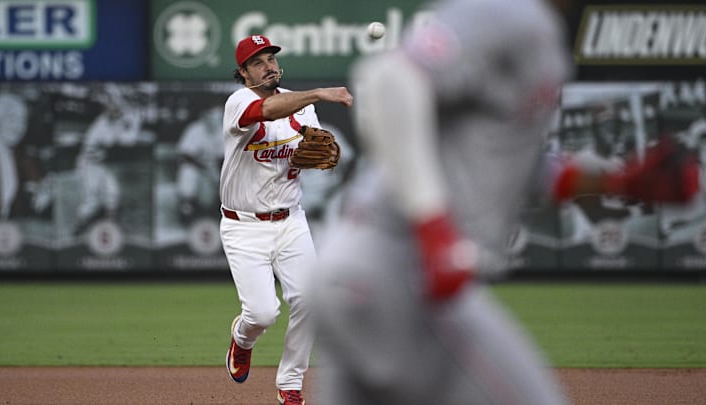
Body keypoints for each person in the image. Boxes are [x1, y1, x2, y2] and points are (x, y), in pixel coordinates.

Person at [307, 0, 700, 404]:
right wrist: (434, 228)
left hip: (351, 267)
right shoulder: (512, 13)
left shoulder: (539, 35)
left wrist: (616, 182)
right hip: (398, 268)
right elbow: (390, 79)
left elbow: (519, 169)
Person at [219, 34, 352, 405]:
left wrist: (311, 154)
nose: (269, 66)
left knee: (311, 299)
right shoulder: (238, 101)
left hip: (291, 220)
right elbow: (264, 113)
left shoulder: (301, 108)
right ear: (244, 72)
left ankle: (290, 382)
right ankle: (243, 339)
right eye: (258, 62)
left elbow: (303, 151)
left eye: (272, 59)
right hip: (244, 226)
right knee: (262, 313)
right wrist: (319, 93)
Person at [73, 84, 144, 235]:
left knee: (112, 193)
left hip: (105, 161)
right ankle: (80, 224)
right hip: (90, 162)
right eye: (108, 103)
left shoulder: (125, 117)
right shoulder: (100, 125)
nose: (112, 105)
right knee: (91, 199)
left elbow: (128, 141)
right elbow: (97, 150)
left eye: (114, 102)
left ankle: (110, 224)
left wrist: (129, 121)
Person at [0, 92, 49, 225]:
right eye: (12, 119)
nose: (19, 127)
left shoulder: (13, 151)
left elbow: (35, 175)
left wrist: (42, 188)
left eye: (23, 121)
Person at [175, 105, 223, 223]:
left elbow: (224, 159)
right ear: (204, 116)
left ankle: (223, 209)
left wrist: (219, 177)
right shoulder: (195, 129)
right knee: (187, 171)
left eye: (217, 115)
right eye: (210, 115)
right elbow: (184, 156)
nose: (213, 118)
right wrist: (204, 168)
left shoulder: (224, 131)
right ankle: (187, 207)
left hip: (213, 171)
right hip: (197, 169)